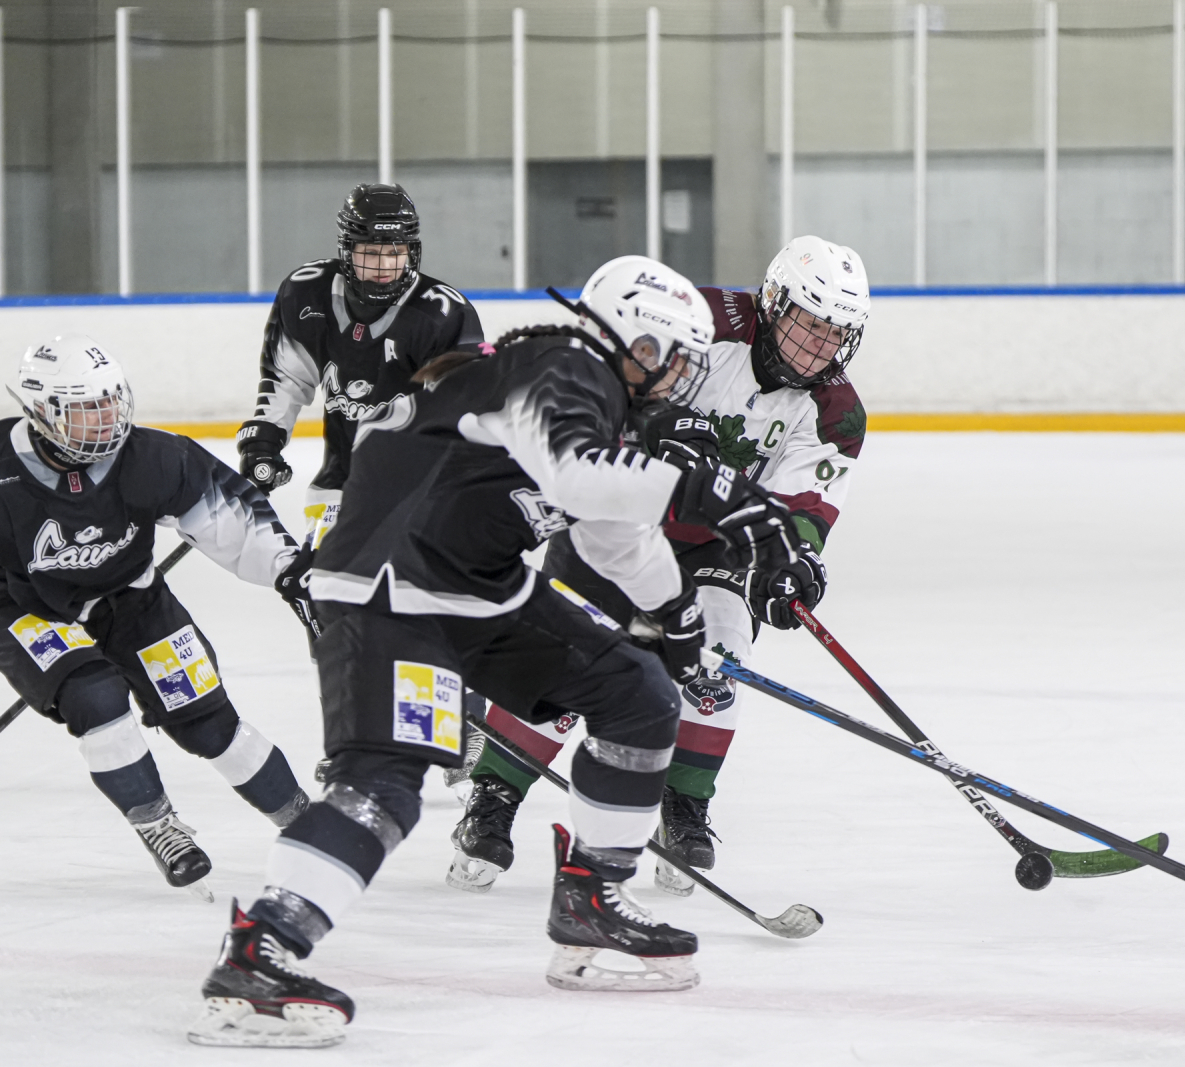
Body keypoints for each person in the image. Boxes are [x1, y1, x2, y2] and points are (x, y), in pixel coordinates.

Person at [187, 256, 799, 1048]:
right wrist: (717, 494)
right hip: (390, 590)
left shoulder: (584, 391)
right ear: (636, 341)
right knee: (384, 784)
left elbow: (612, 536)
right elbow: (576, 478)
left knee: (638, 692)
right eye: (675, 358)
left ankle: (591, 899)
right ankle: (261, 952)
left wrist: (677, 615)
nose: (682, 378)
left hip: (476, 590)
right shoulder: (561, 364)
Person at [450, 235, 870, 897]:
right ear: (773, 302)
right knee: (565, 655)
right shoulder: (703, 320)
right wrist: (659, 423)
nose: (821, 345)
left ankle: (685, 807)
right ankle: (493, 798)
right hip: (619, 513)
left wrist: (789, 564)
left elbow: (804, 506)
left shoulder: (836, 413)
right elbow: (609, 377)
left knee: (721, 658)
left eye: (836, 333)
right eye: (810, 324)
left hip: (714, 542)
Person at [0, 336, 318, 897]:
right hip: (22, 606)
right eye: (87, 408)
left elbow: (229, 518)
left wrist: (288, 568)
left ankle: (306, 821)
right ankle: (157, 825)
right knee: (95, 695)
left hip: (130, 598)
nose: (107, 418)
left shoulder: (152, 457)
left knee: (206, 720)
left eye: (111, 401)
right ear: (42, 411)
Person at [234, 182, 485, 552]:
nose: (384, 266)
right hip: (343, 480)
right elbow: (287, 379)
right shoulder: (307, 294)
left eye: (395, 252)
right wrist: (264, 441)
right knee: (323, 580)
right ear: (347, 250)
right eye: (370, 252)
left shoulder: (442, 314)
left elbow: (467, 409)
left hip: (425, 484)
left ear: (411, 251)